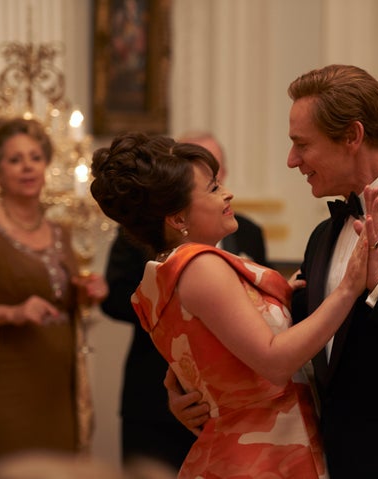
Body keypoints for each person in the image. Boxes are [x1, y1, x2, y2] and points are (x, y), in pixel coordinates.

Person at [168, 64, 378, 478]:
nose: (292, 161)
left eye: (302, 144)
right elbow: (282, 338)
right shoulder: (324, 234)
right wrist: (185, 382)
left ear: (352, 137)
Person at [90, 132, 378, 478]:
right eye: (212, 188)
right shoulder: (199, 265)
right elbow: (274, 362)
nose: (227, 193)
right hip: (258, 456)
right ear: (178, 219)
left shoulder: (166, 268)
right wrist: (348, 287)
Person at [0, 117, 108, 468]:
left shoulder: (60, 232)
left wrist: (90, 292)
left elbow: (66, 297)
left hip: (60, 388)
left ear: (46, 165)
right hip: (4, 385)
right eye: (15, 159)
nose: (27, 166)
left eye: (35, 157)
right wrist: (11, 313)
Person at [100, 131, 269, 471]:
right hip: (156, 401)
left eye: (214, 178)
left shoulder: (247, 231)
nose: (219, 189)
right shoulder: (142, 238)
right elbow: (116, 297)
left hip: (243, 413)